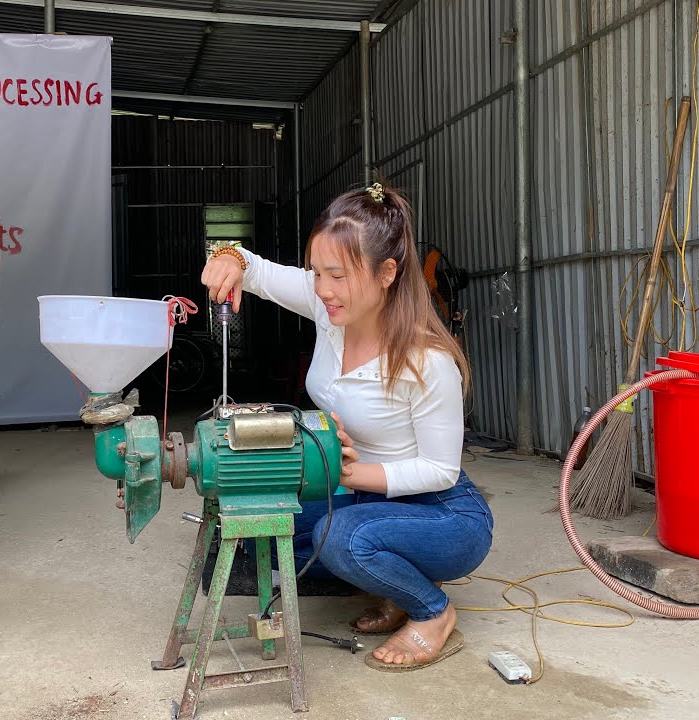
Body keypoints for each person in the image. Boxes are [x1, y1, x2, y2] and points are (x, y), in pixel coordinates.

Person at [198, 182, 493, 671]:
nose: (322, 288)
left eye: (337, 274)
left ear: (387, 273)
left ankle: (432, 610)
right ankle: (390, 582)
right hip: (362, 495)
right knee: (266, 526)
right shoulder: (328, 309)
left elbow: (440, 471)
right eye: (316, 273)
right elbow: (255, 270)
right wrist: (228, 254)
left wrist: (349, 475)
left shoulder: (426, 362)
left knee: (341, 541)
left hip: (442, 512)